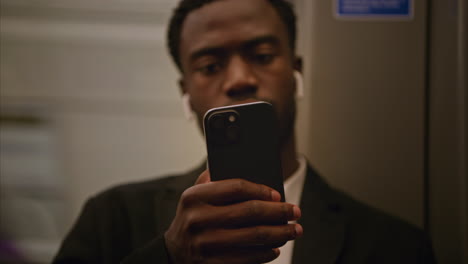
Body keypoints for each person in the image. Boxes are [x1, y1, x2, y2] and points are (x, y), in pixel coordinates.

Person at [53, 0, 436, 263]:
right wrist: (169, 257)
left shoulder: (393, 245)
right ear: (185, 92)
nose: (239, 79)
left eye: (263, 56)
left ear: (295, 71)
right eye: (209, 65)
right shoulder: (112, 219)